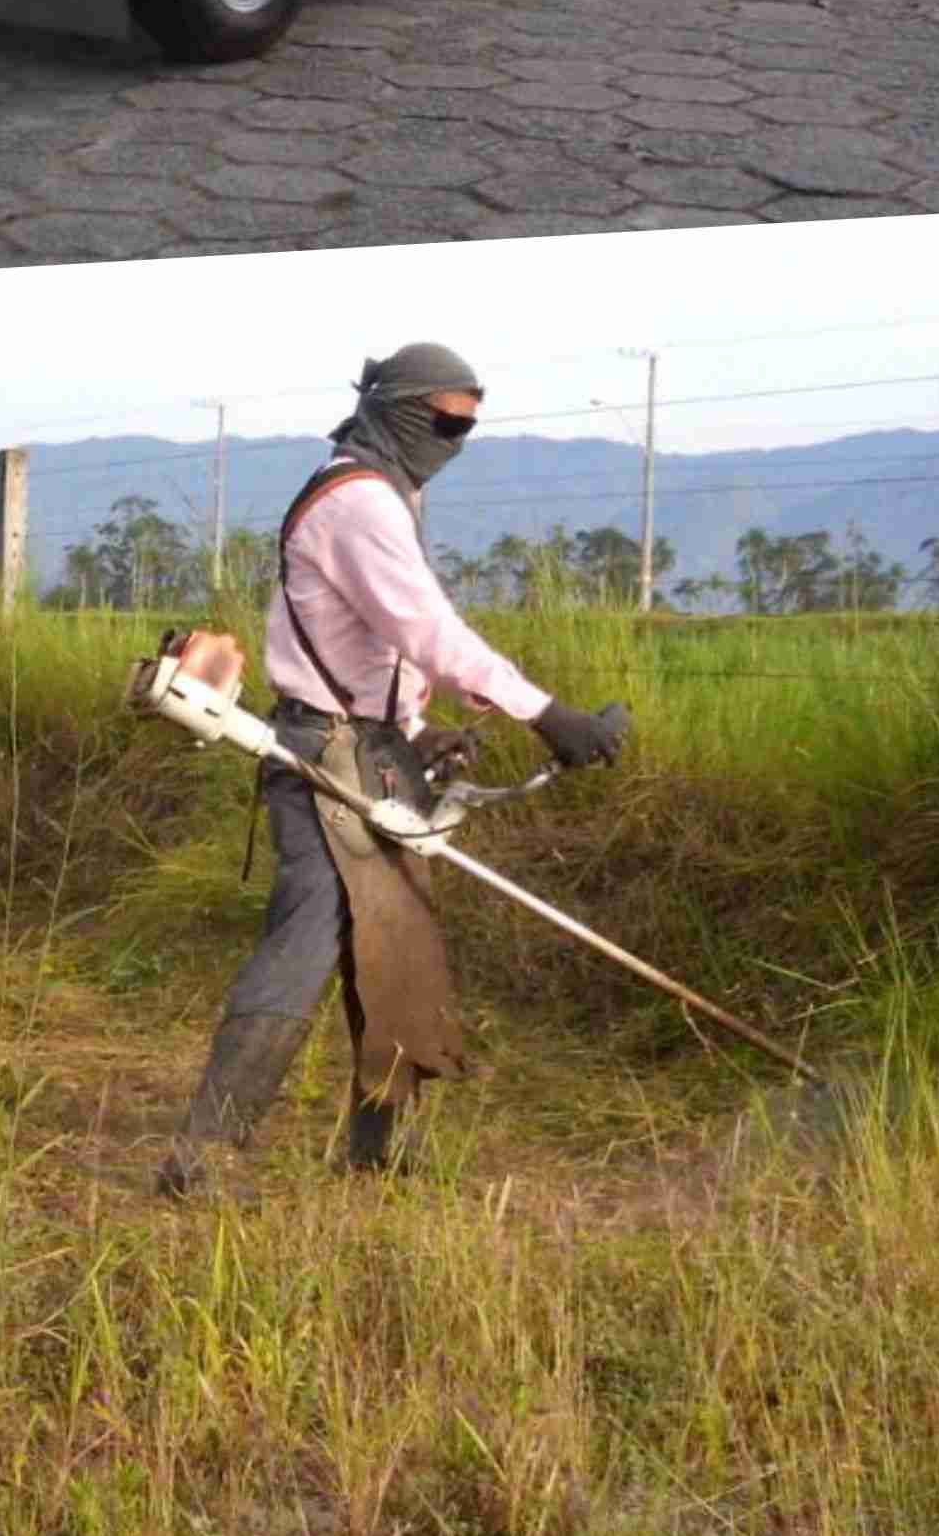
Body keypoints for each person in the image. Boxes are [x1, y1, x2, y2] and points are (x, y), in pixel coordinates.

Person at [156, 344, 633, 1195]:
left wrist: (414, 732)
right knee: (306, 942)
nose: (453, 439)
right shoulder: (359, 503)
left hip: (368, 748)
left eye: (467, 427)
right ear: (393, 411)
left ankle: (376, 1148)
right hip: (322, 755)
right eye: (444, 422)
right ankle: (203, 1157)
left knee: (397, 950)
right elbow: (428, 630)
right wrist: (547, 714)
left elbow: (377, 648)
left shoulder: (384, 493)